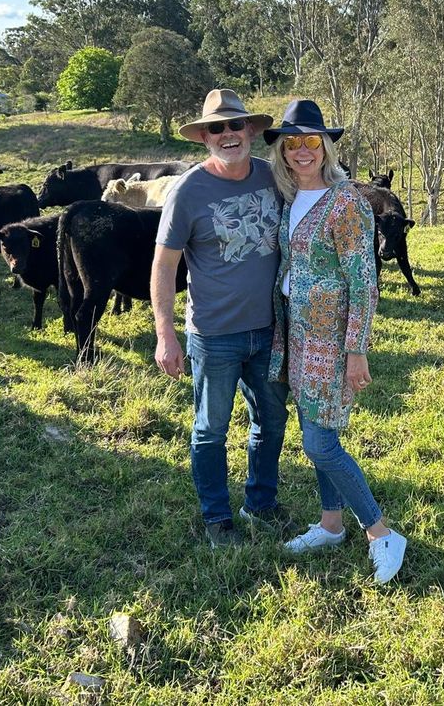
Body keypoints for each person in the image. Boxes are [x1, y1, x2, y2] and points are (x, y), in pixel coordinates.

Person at [265, 99, 407, 584]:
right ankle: (330, 523)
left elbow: (363, 280)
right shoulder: (289, 201)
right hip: (296, 335)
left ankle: (380, 531)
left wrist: (356, 349)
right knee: (319, 431)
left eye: (312, 142)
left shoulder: (346, 201)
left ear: (325, 148)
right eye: (293, 143)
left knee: (320, 444)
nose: (303, 151)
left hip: (330, 338)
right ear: (282, 151)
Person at [151, 88, 290, 548]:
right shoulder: (188, 191)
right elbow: (165, 265)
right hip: (213, 335)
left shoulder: (274, 177)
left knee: (270, 421)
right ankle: (217, 518)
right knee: (210, 430)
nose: (228, 134)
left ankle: (261, 504)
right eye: (217, 128)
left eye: (236, 125)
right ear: (205, 138)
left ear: (251, 130)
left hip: (269, 329)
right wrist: (165, 334)